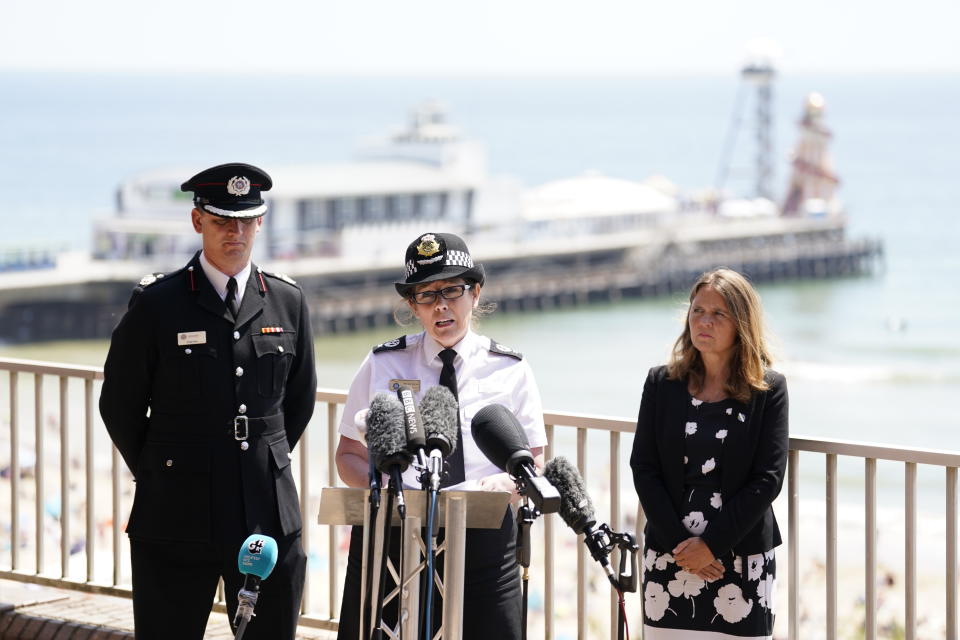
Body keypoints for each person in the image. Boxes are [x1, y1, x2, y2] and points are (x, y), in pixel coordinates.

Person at [99, 163, 317, 640]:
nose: (235, 233)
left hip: (265, 508)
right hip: (177, 510)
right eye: (222, 221)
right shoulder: (158, 303)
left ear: (260, 222)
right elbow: (119, 403)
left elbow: (299, 401)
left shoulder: (286, 300)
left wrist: (264, 459)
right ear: (198, 221)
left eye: (245, 221)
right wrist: (161, 468)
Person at [334, 232, 546, 640]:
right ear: (413, 306)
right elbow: (347, 454)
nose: (441, 305)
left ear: (476, 293)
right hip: (395, 534)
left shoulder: (510, 369)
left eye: (452, 290)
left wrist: (510, 481)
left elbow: (533, 458)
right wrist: (380, 487)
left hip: (484, 536)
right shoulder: (382, 363)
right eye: (427, 296)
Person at [630, 267, 788, 639]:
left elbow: (768, 479)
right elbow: (644, 466)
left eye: (718, 314)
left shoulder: (768, 389)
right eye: (698, 310)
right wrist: (682, 549)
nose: (704, 321)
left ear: (741, 324)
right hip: (670, 554)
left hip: (740, 556)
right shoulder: (661, 383)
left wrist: (712, 547)